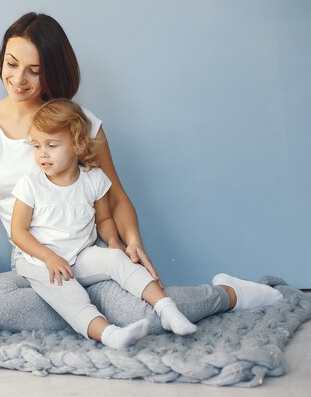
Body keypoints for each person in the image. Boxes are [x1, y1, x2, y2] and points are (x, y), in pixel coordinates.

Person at [0, 12, 283, 337]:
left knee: (141, 312)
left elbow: (115, 196)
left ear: (52, 71)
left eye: (34, 71)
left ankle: (227, 294)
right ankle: (95, 316)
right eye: (11, 63)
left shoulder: (79, 124)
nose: (18, 78)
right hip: (39, 267)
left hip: (86, 259)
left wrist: (130, 240)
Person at [11, 99, 197, 349]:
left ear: (77, 145)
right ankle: (109, 334)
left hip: (80, 254)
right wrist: (49, 258)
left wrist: (111, 243)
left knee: (118, 260)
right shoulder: (31, 185)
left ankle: (167, 309)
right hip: (41, 261)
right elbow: (18, 232)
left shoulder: (93, 179)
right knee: (70, 294)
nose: (42, 153)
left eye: (52, 145)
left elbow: (105, 219)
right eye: (36, 146)